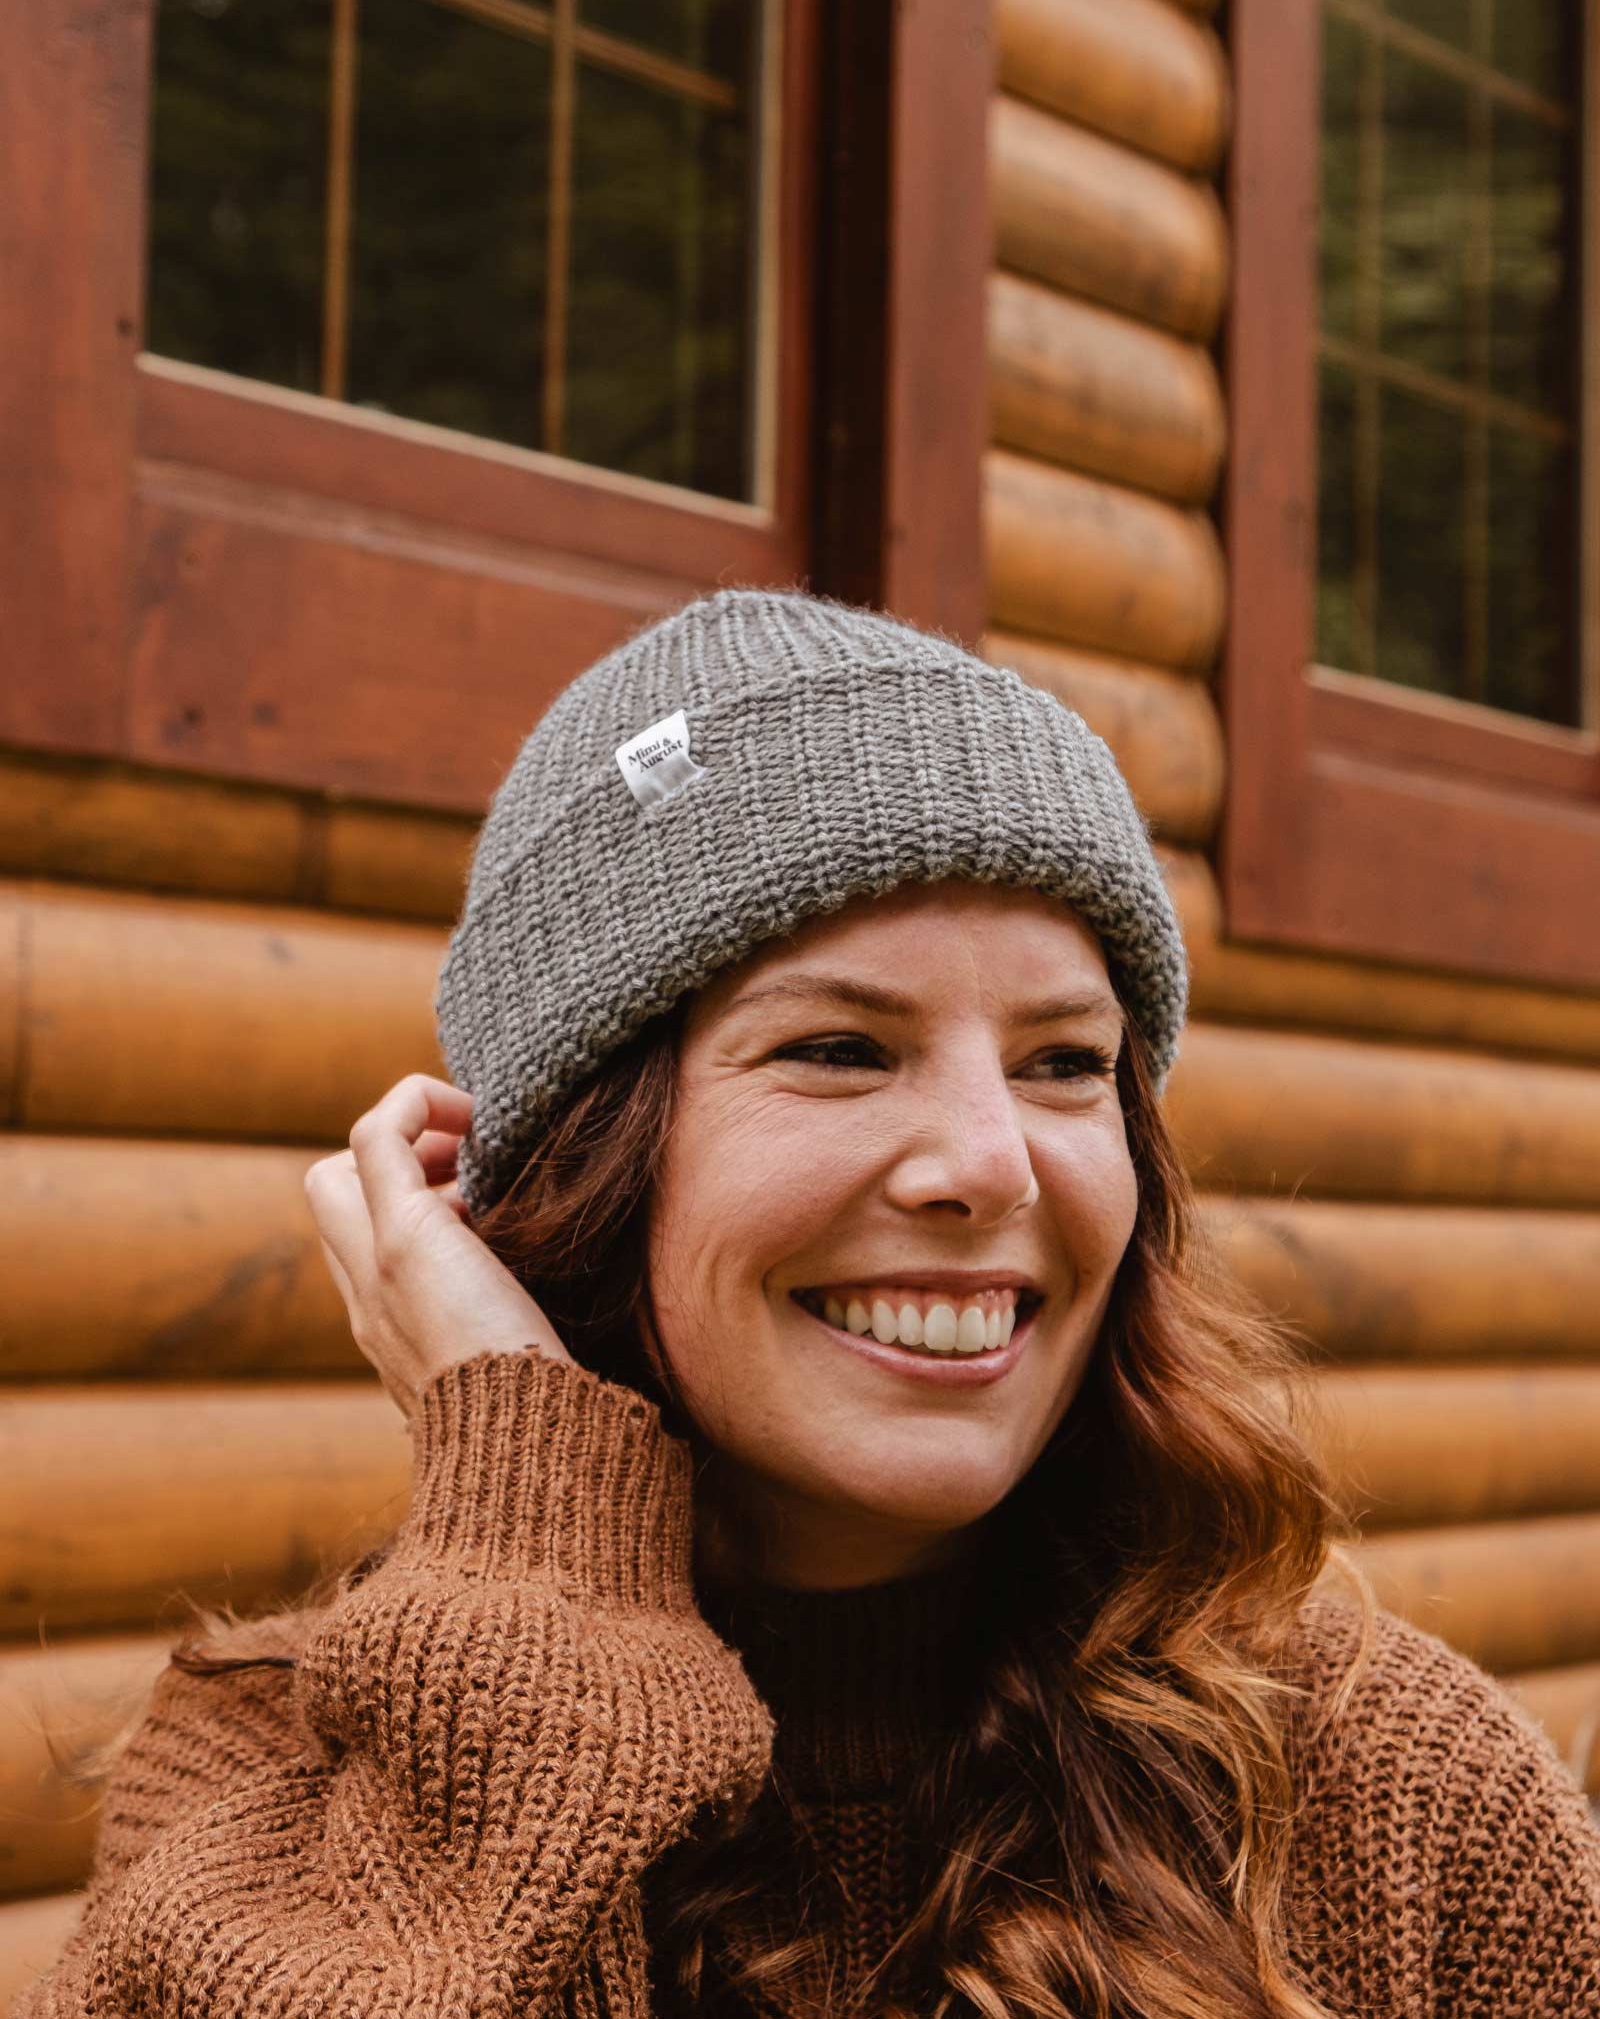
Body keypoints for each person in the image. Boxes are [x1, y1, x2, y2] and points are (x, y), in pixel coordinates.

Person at [19, 588, 1600, 2018]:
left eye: (1066, 1062)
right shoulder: (267, 1788)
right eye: (841, 1047)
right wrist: (543, 1553)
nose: (995, 1162)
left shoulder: (1387, 1791)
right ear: (586, 1156)